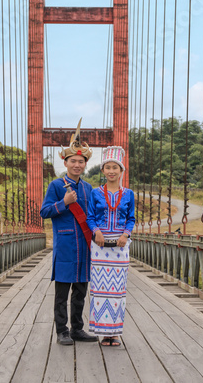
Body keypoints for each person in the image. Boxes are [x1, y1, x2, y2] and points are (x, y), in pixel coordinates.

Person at [40, 119, 98, 345]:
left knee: (80, 292)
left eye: (81, 161)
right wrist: (63, 202)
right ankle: (62, 331)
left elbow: (93, 216)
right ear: (66, 163)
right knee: (62, 293)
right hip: (65, 246)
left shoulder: (87, 188)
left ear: (85, 164)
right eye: (73, 161)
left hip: (84, 245)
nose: (77, 165)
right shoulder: (56, 186)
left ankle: (77, 329)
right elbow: (45, 212)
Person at [86, 146, 135, 347]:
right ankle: (103, 332)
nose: (112, 171)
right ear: (103, 170)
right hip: (99, 244)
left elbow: (131, 218)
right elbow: (90, 216)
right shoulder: (95, 193)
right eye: (108, 167)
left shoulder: (129, 194)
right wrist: (96, 231)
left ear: (121, 171)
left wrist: (126, 234)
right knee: (101, 288)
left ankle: (115, 333)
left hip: (120, 245)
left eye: (116, 167)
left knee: (117, 289)